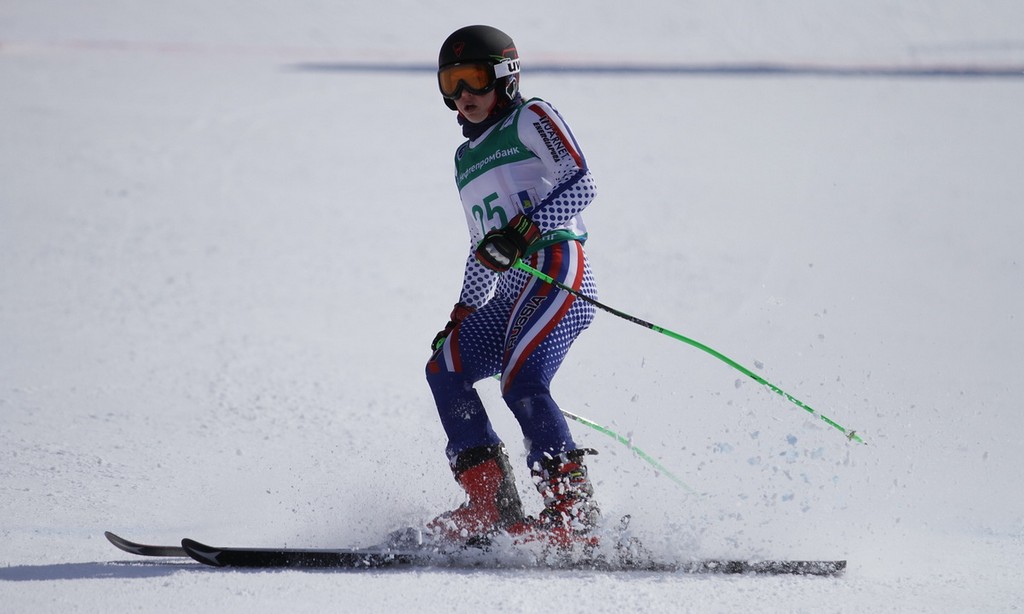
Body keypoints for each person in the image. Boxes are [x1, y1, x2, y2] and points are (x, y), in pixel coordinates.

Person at [425, 25, 601, 548]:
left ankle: (573, 516)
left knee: (522, 382)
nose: (463, 97)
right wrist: (462, 312)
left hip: (556, 267)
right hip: (511, 289)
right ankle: (490, 506)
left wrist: (523, 232)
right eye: (451, 83)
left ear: (505, 76)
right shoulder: (465, 158)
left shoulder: (532, 116)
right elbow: (483, 246)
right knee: (446, 367)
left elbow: (582, 182)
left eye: (474, 79)